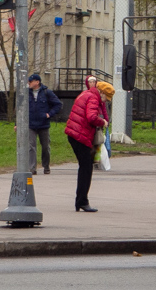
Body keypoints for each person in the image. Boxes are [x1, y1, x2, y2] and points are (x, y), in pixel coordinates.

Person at [64, 74, 108, 212]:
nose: (106, 101)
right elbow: (91, 117)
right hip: (80, 135)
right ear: (101, 92)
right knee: (86, 168)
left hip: (75, 133)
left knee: (85, 167)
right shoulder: (94, 98)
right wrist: (103, 122)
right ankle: (82, 201)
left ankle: (81, 201)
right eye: (106, 97)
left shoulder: (86, 94)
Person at [24, 74, 62, 174]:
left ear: (37, 82)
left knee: (45, 146)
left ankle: (46, 166)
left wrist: (50, 114)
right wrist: (17, 123)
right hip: (31, 124)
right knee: (31, 146)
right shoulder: (26, 93)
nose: (29, 83)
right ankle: (32, 168)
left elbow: (58, 104)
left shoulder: (46, 92)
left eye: (30, 81)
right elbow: (21, 109)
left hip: (43, 124)